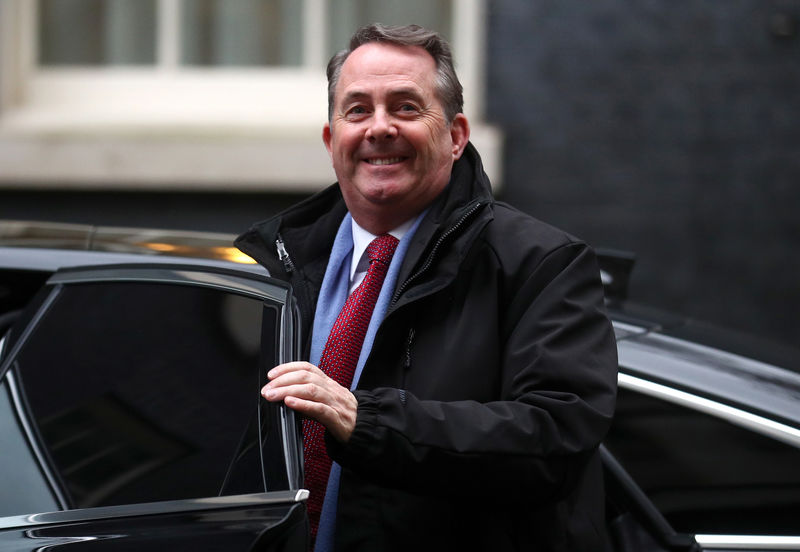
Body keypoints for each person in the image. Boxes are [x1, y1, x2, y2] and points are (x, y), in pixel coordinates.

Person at [236, 23, 618, 552]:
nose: (380, 128)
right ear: (331, 140)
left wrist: (363, 420)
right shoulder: (274, 265)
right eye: (358, 110)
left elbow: (553, 438)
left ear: (457, 136)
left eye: (407, 108)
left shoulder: (541, 263)